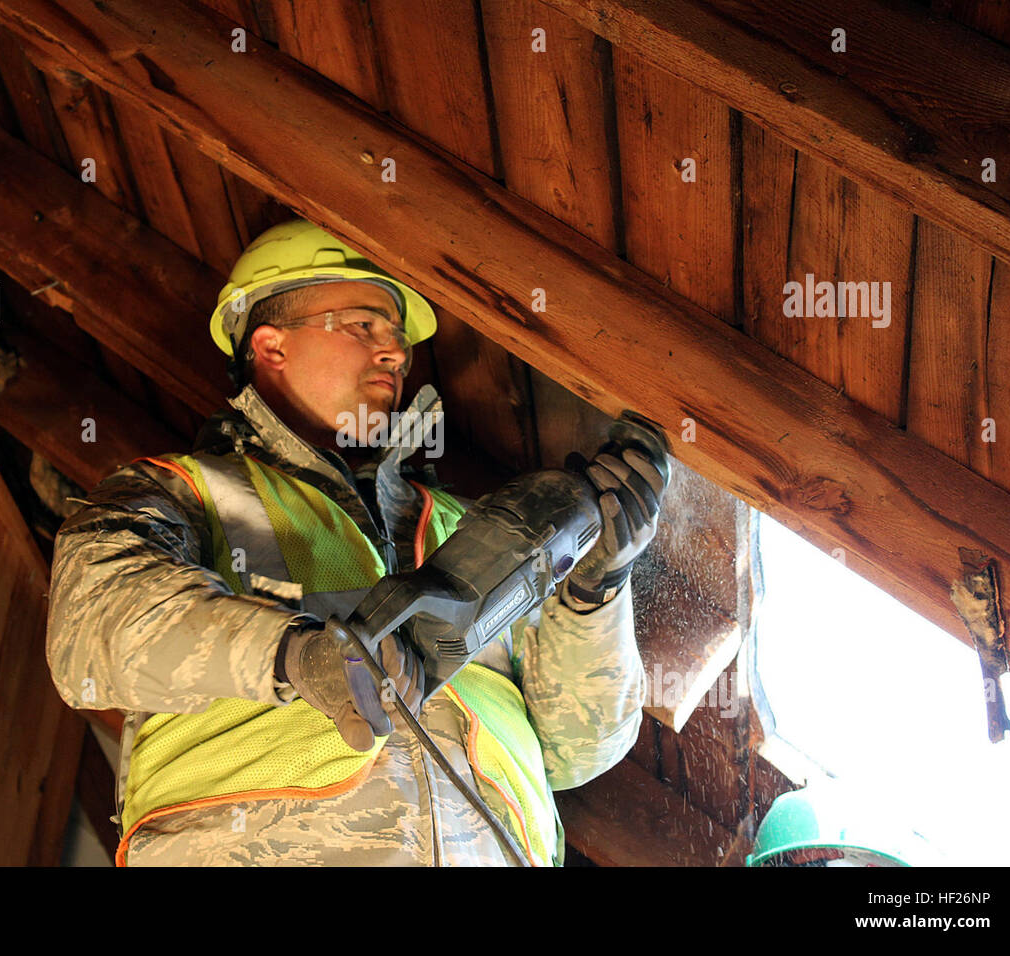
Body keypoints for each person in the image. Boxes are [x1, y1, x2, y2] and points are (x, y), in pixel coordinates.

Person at [45, 218, 668, 866]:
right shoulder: (187, 492)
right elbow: (87, 631)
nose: (396, 351)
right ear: (271, 345)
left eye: (397, 335)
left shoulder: (471, 525)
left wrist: (594, 591)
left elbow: (577, 747)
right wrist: (295, 657)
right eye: (365, 324)